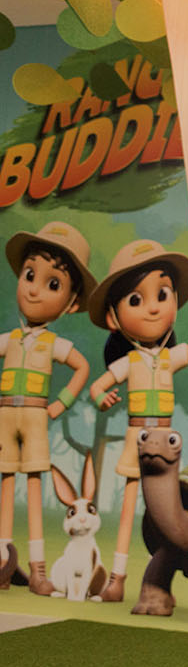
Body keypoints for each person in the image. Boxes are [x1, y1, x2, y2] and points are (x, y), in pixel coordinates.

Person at [87, 239, 188, 604]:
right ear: (113, 316)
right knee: (130, 506)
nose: (152, 308)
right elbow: (98, 385)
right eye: (136, 300)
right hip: (137, 435)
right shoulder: (129, 363)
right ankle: (117, 578)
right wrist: (101, 396)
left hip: (165, 436)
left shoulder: (170, 358)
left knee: (164, 503)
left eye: (162, 294)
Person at [1, 222, 95, 595]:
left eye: (53, 283)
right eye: (30, 275)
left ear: (71, 302)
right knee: (6, 487)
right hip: (6, 416)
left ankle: (38, 570)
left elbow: (82, 367)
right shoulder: (11, 339)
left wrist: (60, 404)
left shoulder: (54, 343)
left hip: (37, 416)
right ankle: (5, 564)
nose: (36, 289)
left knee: (36, 487)